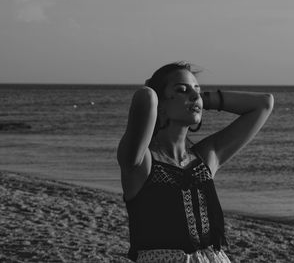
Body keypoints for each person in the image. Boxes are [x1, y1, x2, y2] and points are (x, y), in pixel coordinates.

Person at [117, 62, 274, 262]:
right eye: (182, 89)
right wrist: (156, 95)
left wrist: (201, 100)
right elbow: (144, 97)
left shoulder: (206, 158)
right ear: (160, 105)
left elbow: (264, 104)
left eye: (197, 90)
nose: (194, 95)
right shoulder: (141, 162)